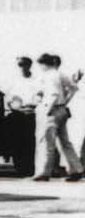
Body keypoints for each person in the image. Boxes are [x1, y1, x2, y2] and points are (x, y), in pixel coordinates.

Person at [33, 53, 83, 182]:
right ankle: (76, 169)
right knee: (65, 142)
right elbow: (74, 88)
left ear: (43, 64)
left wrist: (47, 110)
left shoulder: (48, 76)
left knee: (46, 142)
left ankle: (44, 172)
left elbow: (53, 94)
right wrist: (65, 102)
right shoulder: (60, 73)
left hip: (51, 110)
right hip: (61, 110)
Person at [6, 56, 39, 177]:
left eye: (23, 64)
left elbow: (39, 95)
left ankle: (29, 167)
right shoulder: (14, 80)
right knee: (17, 141)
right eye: (19, 65)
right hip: (17, 113)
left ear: (29, 65)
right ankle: (19, 167)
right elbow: (8, 97)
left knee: (30, 141)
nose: (21, 67)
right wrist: (12, 105)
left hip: (31, 113)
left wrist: (34, 104)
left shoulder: (36, 80)